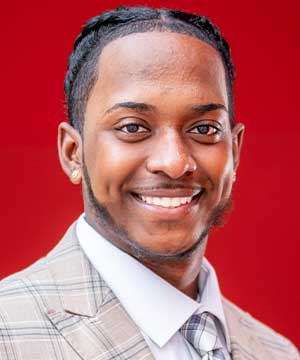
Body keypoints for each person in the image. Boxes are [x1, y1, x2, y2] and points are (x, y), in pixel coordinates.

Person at [0, 6, 298, 360]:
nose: (173, 163)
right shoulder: (9, 335)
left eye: (204, 129)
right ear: (73, 152)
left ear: (234, 151)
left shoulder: (276, 352)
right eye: (132, 127)